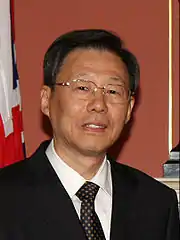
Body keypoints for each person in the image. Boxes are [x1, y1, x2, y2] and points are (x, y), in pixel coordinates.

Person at [0, 29, 179, 240]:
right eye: (83, 88)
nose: (98, 105)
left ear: (129, 109)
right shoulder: (5, 198)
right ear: (46, 100)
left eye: (113, 91)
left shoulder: (156, 203)